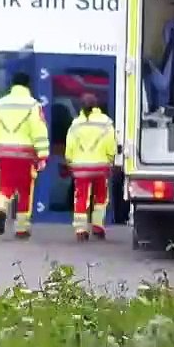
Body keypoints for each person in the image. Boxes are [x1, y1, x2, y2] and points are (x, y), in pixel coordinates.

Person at [0, 72, 49, 239]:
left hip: (4, 152)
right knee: (25, 191)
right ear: (27, 85)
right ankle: (21, 228)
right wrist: (43, 154)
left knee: (5, 188)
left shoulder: (0, 104)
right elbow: (39, 131)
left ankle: (0, 209)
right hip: (25, 154)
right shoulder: (32, 106)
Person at [64, 92, 117, 241]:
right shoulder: (106, 122)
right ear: (97, 106)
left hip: (81, 168)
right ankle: (98, 227)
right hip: (100, 166)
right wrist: (110, 159)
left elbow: (70, 146)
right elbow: (111, 145)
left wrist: (70, 160)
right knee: (100, 197)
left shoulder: (76, 124)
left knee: (81, 197)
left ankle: (81, 229)